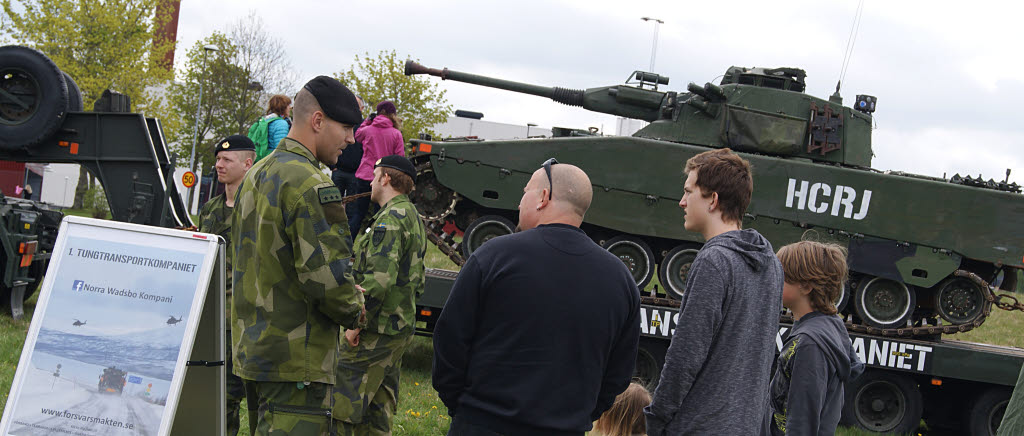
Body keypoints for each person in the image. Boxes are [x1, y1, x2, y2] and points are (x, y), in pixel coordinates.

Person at [433, 159, 640, 436]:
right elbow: (618, 375)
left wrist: (465, 409)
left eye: (525, 192)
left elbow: (450, 341)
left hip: (482, 422)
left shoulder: (494, 256)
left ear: (543, 197)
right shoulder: (621, 279)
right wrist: (579, 416)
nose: (520, 203)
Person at [231, 76, 366, 436]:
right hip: (296, 362)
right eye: (347, 127)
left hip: (256, 350)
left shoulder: (256, 173)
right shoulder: (311, 184)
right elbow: (327, 281)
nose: (351, 139)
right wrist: (355, 304)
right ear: (318, 121)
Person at [643, 148, 784, 435]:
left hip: (700, 426)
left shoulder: (715, 261)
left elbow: (685, 356)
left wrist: (656, 418)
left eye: (689, 192)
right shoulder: (771, 264)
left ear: (713, 200)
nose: (682, 202)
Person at [332, 155, 427, 435]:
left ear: (386, 178)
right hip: (397, 326)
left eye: (374, 176)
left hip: (377, 328)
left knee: (343, 407)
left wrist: (355, 323)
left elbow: (378, 281)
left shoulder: (390, 220)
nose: (371, 182)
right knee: (377, 409)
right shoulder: (411, 215)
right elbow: (418, 279)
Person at [763, 241, 864, 436]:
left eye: (780, 274)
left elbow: (803, 421)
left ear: (806, 286)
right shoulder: (828, 324)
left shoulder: (810, 344)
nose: (772, 279)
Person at [197, 134, 255, 436]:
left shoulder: (257, 209)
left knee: (230, 396)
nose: (219, 165)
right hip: (209, 316)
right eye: (218, 159)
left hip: (241, 319)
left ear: (248, 164)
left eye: (226, 160)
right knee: (207, 391)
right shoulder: (210, 209)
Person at [351, 101, 405, 235]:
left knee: (358, 214)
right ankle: (374, 245)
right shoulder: (395, 134)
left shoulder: (367, 130)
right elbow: (400, 158)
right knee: (379, 216)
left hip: (364, 176)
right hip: (382, 180)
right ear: (393, 115)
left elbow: (357, 135)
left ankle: (347, 248)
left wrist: (367, 121)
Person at [329, 95, 366, 238]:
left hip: (355, 174)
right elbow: (329, 143)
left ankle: (346, 244)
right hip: (339, 170)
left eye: (358, 106)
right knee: (332, 207)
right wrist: (332, 166)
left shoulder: (364, 127)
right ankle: (331, 240)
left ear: (362, 109)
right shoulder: (340, 123)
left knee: (351, 211)